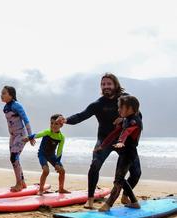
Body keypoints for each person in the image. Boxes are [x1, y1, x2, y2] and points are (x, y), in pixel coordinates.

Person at [56, 73, 142, 209]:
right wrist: (66, 120)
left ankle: (125, 195)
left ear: (115, 85)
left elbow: (137, 115)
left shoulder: (125, 99)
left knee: (136, 173)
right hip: (104, 140)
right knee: (94, 166)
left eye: (109, 84)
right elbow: (81, 115)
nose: (106, 87)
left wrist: (125, 120)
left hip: (124, 142)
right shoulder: (98, 104)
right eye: (103, 84)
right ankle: (90, 199)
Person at [96, 96, 142, 212]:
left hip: (129, 154)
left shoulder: (135, 121)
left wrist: (121, 142)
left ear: (130, 108)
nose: (118, 110)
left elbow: (127, 132)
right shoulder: (126, 119)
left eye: (121, 107)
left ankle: (108, 205)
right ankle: (135, 202)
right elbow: (115, 132)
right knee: (120, 179)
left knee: (118, 181)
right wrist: (102, 145)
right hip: (124, 153)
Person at [24, 114, 70, 195]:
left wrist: (57, 163)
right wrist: (28, 138)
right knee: (46, 171)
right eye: (51, 123)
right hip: (42, 154)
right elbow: (38, 135)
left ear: (61, 125)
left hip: (52, 156)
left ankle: (61, 188)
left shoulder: (61, 137)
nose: (53, 125)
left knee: (62, 171)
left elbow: (59, 151)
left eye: (56, 124)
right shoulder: (47, 132)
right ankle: (41, 190)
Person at [1, 86, 35, 192]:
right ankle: (22, 182)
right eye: (1, 93)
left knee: (14, 157)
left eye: (4, 93)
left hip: (21, 135)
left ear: (11, 95)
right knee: (14, 159)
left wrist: (30, 136)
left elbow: (26, 120)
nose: (1, 95)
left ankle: (19, 184)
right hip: (13, 136)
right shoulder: (6, 107)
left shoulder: (17, 106)